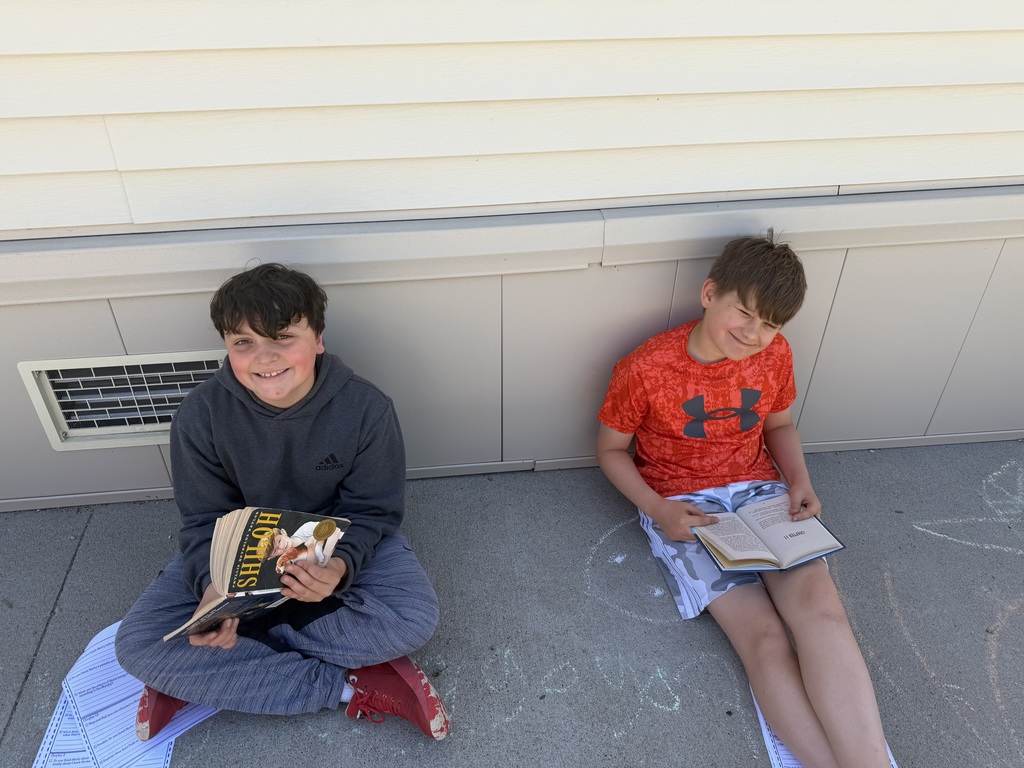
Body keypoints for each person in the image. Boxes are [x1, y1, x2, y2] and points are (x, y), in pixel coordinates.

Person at [115, 263, 449, 742]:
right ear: (227, 347)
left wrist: (338, 571)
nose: (264, 357)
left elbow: (374, 511)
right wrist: (215, 590)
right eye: (243, 342)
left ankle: (220, 665)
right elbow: (202, 519)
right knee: (137, 646)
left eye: (283, 337)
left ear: (318, 339)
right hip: (236, 556)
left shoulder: (367, 408)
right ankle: (347, 687)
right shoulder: (200, 414)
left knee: (412, 618)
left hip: (335, 541)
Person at [596, 233, 890, 768]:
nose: (755, 335)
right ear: (710, 294)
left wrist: (799, 479)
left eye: (772, 325)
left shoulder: (774, 355)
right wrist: (658, 509)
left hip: (761, 490)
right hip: (685, 505)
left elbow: (777, 421)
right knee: (763, 636)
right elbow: (612, 450)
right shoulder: (645, 367)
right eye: (745, 314)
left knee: (821, 616)